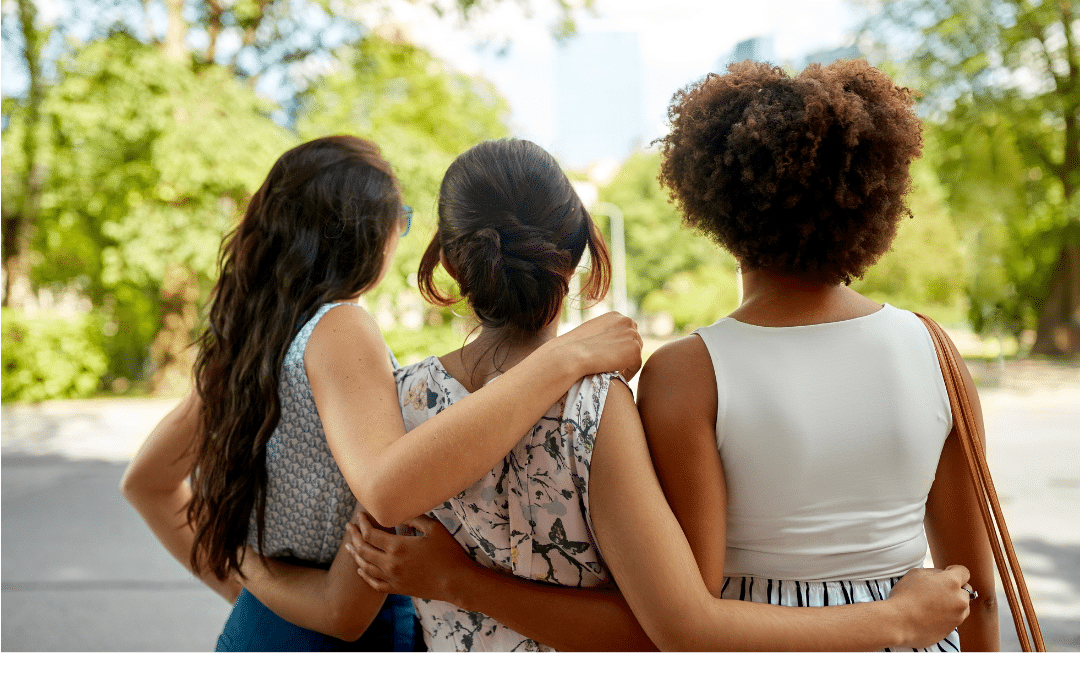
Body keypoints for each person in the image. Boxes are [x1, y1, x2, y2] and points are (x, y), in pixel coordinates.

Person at [337, 138, 975, 652]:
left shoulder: (400, 403)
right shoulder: (594, 410)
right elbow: (666, 631)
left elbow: (347, 599)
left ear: (449, 261)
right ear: (582, 254)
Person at [120, 135, 644, 651]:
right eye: (403, 218)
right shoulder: (341, 328)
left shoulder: (248, 342)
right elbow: (348, 593)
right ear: (372, 235)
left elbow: (146, 482)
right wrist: (563, 357)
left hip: (266, 628)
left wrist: (248, 575)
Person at [634, 60, 999, 651]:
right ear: (872, 196)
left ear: (716, 204)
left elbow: (694, 612)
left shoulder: (687, 373)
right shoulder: (934, 349)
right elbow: (976, 592)